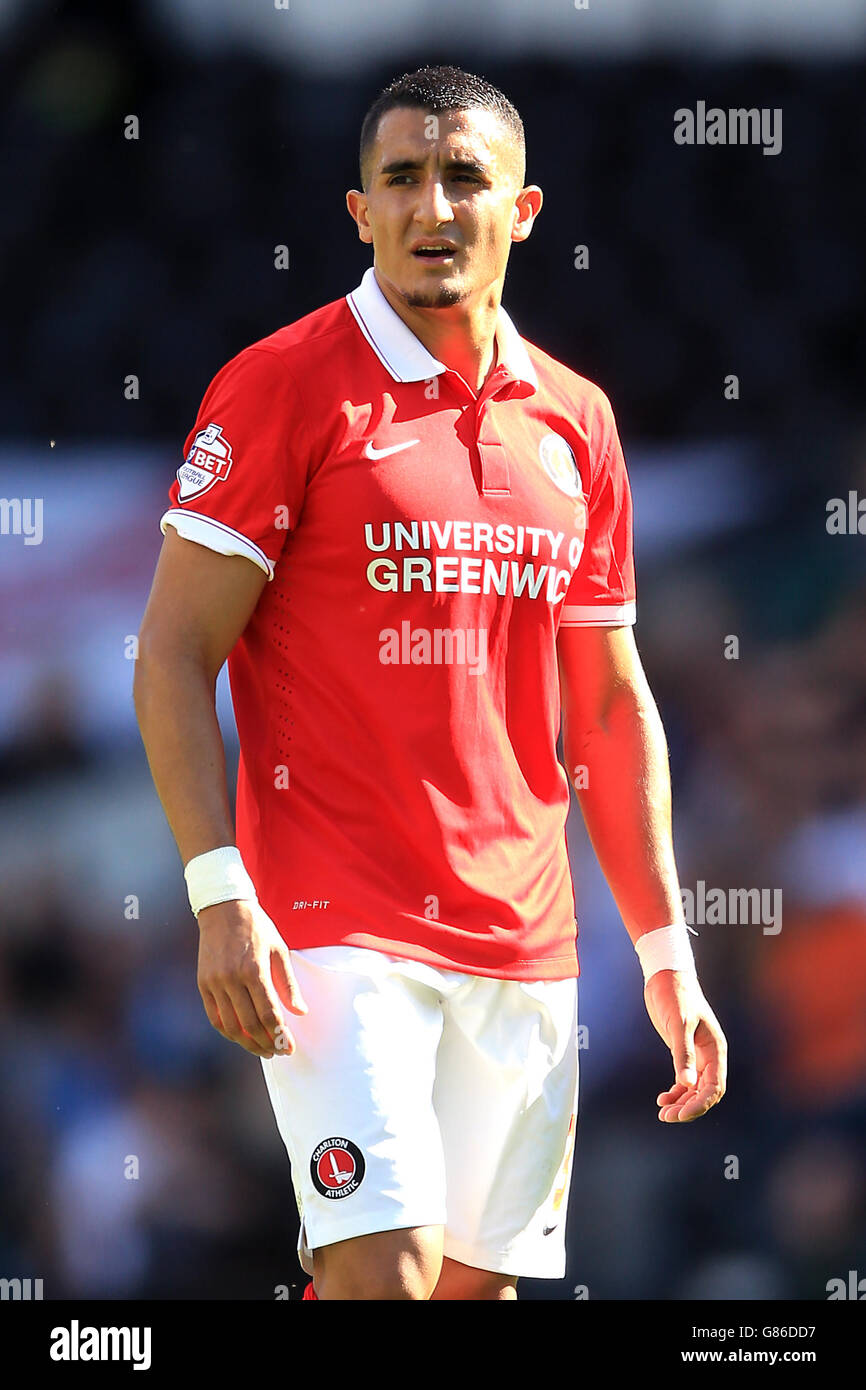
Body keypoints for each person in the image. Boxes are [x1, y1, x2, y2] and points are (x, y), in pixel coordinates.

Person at [134, 64, 727, 1302]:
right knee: (380, 1269)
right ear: (358, 209)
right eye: (401, 177)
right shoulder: (282, 386)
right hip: (333, 929)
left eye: (465, 177)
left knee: (470, 1293)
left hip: (524, 939)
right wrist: (215, 892)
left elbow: (609, 705)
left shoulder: (577, 421)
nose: (432, 206)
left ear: (523, 210)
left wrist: (663, 943)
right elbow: (172, 656)